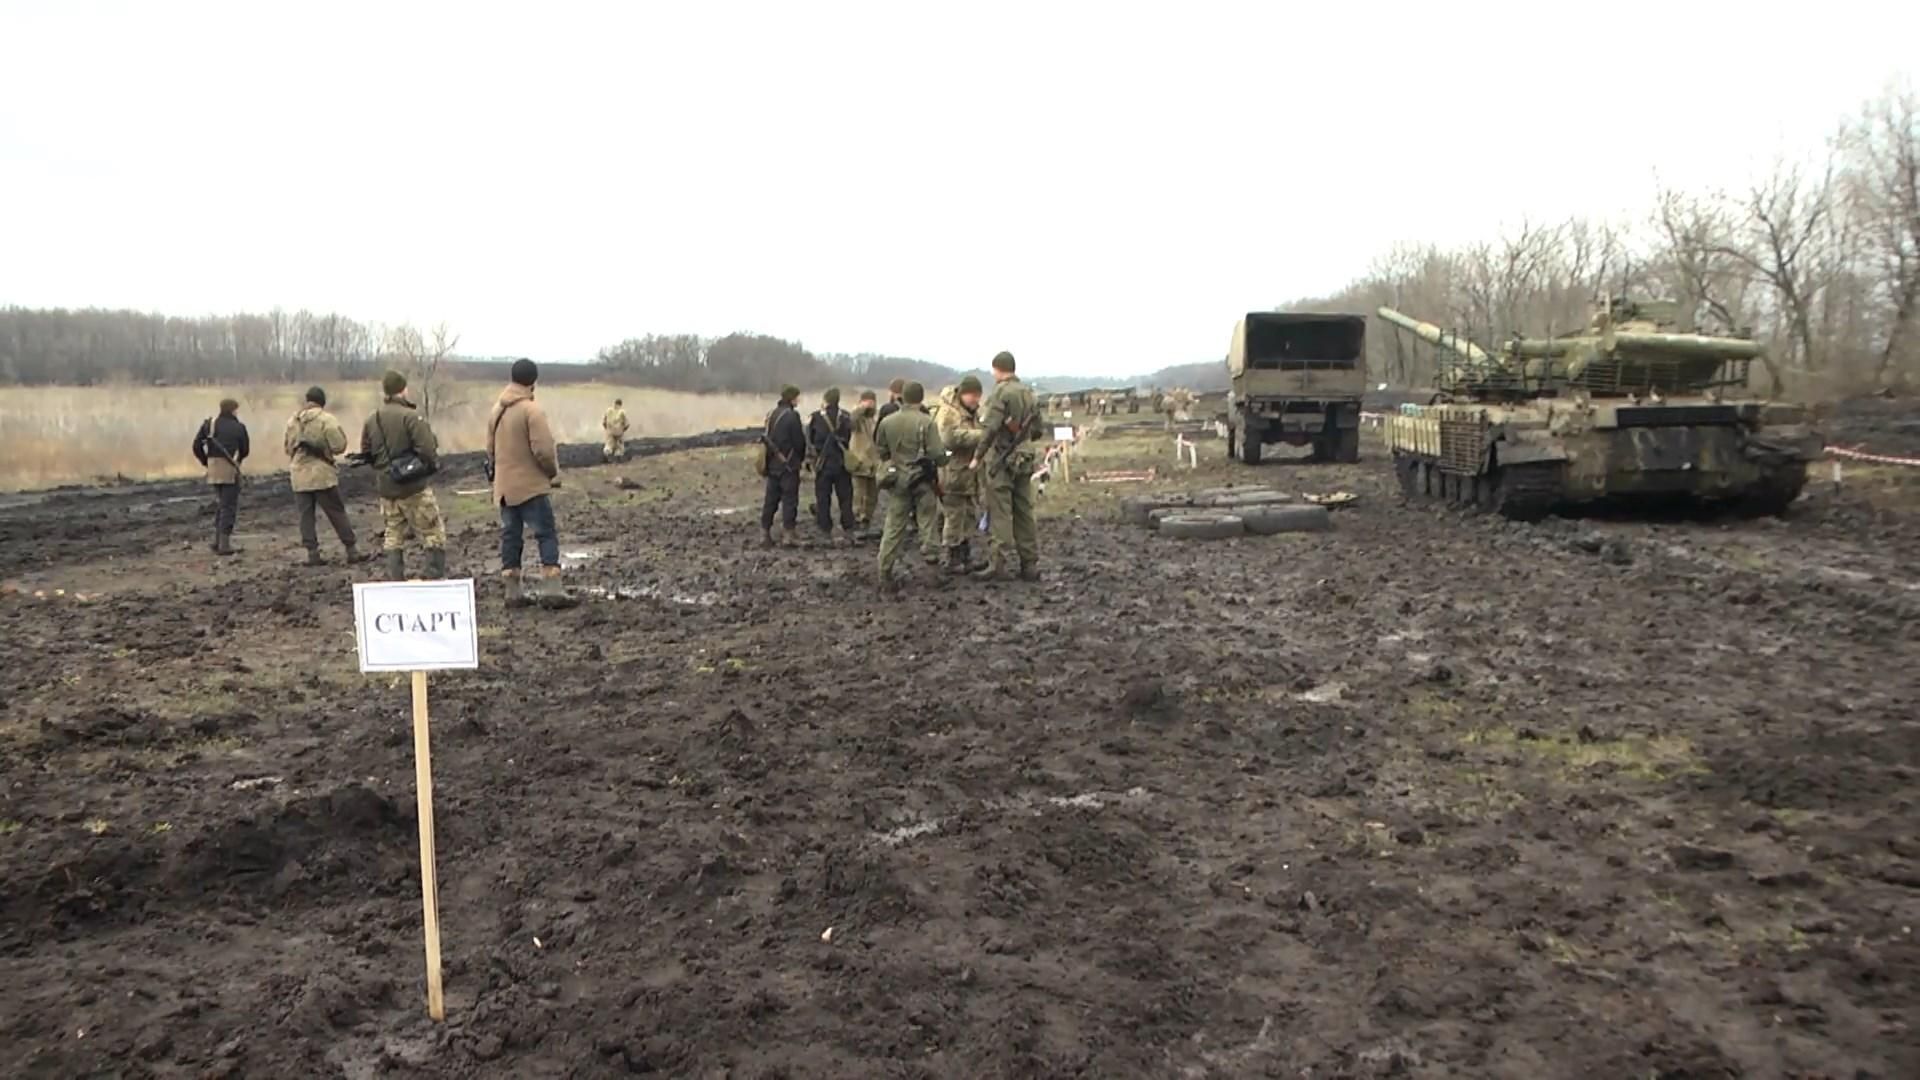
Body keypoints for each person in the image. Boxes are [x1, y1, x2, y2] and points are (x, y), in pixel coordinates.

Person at [488, 358, 570, 608]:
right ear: (533, 381)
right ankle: (552, 589)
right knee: (546, 534)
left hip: (504, 489)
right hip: (531, 487)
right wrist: (551, 473)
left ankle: (513, 591)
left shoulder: (497, 410)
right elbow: (543, 450)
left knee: (511, 537)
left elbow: (490, 451)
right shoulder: (532, 411)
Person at [361, 370, 447, 580]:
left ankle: (396, 579)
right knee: (433, 532)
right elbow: (427, 449)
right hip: (413, 487)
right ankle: (433, 576)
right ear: (403, 390)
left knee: (393, 534)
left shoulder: (373, 418)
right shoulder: (411, 417)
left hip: (386, 488)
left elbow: (366, 452)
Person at [970, 351, 1045, 581]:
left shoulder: (1000, 392)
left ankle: (998, 563)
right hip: (1024, 459)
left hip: (1002, 459)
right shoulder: (1029, 394)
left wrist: (978, 456)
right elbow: (1038, 431)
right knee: (1024, 511)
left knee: (1000, 511)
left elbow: (990, 429)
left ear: (997, 369)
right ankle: (1029, 564)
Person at [873, 381, 948, 593]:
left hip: (898, 481)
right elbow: (938, 456)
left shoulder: (887, 422)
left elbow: (882, 451)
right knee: (927, 524)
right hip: (923, 482)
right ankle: (932, 573)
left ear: (902, 398)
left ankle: (884, 572)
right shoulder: (927, 422)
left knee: (893, 526)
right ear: (921, 398)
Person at [284, 386, 366, 567]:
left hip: (298, 475)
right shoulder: (326, 419)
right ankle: (351, 550)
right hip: (322, 475)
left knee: (306, 516)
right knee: (336, 512)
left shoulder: (293, 421)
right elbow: (339, 446)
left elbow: (288, 448)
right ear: (322, 401)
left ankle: (312, 554)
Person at [935, 377, 990, 574]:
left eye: (979, 396)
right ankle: (951, 558)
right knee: (953, 517)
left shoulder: (971, 413)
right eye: (973, 396)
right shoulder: (948, 413)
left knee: (967, 516)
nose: (977, 400)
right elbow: (949, 438)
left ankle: (965, 557)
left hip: (967, 475)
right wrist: (981, 435)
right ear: (964, 394)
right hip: (953, 474)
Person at [192, 397, 249, 556]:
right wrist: (238, 461)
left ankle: (217, 541)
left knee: (221, 504)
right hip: (229, 469)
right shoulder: (238, 427)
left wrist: (206, 462)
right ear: (233, 410)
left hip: (213, 468)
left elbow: (196, 446)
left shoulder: (209, 425)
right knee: (228, 506)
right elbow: (245, 450)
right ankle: (224, 544)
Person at [807, 387, 858, 545]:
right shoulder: (846, 417)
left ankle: (825, 528)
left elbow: (810, 440)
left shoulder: (815, 417)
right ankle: (848, 526)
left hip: (823, 464)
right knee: (845, 497)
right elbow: (849, 438)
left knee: (823, 497)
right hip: (842, 463)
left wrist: (811, 460)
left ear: (826, 400)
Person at [759, 384, 808, 547]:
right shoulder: (793, 416)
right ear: (791, 398)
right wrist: (799, 460)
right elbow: (799, 442)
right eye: (797, 397)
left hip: (772, 464)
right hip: (789, 465)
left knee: (770, 500)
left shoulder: (771, 414)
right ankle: (788, 535)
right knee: (789, 500)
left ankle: (764, 533)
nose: (798, 400)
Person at [846, 389, 881, 535]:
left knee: (872, 495)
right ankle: (857, 520)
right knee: (858, 494)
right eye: (868, 401)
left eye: (873, 402)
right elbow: (851, 421)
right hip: (860, 461)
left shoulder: (873, 419)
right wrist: (862, 407)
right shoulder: (857, 417)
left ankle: (867, 520)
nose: (871, 404)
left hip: (873, 462)